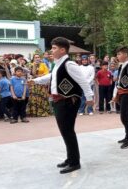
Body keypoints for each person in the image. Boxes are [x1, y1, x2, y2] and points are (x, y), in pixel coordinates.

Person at [30, 37, 94, 174]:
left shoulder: (69, 64)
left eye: (54, 48)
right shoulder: (58, 63)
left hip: (68, 101)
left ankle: (74, 162)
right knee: (65, 130)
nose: (51, 51)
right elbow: (51, 77)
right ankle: (70, 158)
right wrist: (35, 81)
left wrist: (89, 98)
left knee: (68, 131)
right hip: (59, 101)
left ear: (63, 50)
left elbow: (83, 81)